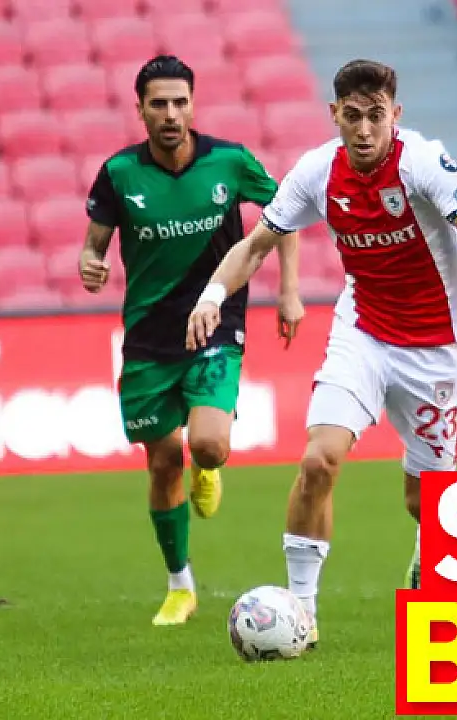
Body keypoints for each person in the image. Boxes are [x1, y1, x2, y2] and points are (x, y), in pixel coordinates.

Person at [185, 59, 457, 641]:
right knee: (319, 460)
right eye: (353, 116)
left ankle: (427, 551)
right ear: (334, 113)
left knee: (426, 500)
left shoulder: (421, 162)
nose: (364, 130)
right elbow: (257, 244)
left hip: (438, 343)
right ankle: (301, 611)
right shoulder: (318, 171)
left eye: (376, 116)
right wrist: (212, 295)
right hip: (363, 331)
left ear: (395, 115)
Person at [79, 55, 302, 626]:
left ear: (193, 105)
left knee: (207, 445)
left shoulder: (229, 161)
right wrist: (90, 263)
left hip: (215, 322)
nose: (171, 114)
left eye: (180, 102)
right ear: (141, 110)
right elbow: (94, 244)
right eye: (159, 104)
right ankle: (181, 585)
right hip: (148, 337)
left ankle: (208, 466)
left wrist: (288, 292)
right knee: (161, 464)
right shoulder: (119, 174)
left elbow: (286, 216)